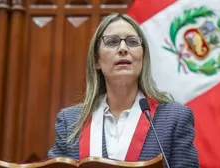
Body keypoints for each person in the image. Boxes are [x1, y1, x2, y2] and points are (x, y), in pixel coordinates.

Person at [48, 13, 200, 167]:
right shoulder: (71, 121)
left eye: (132, 42)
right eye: (112, 42)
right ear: (96, 60)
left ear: (143, 58)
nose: (123, 49)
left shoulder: (174, 118)